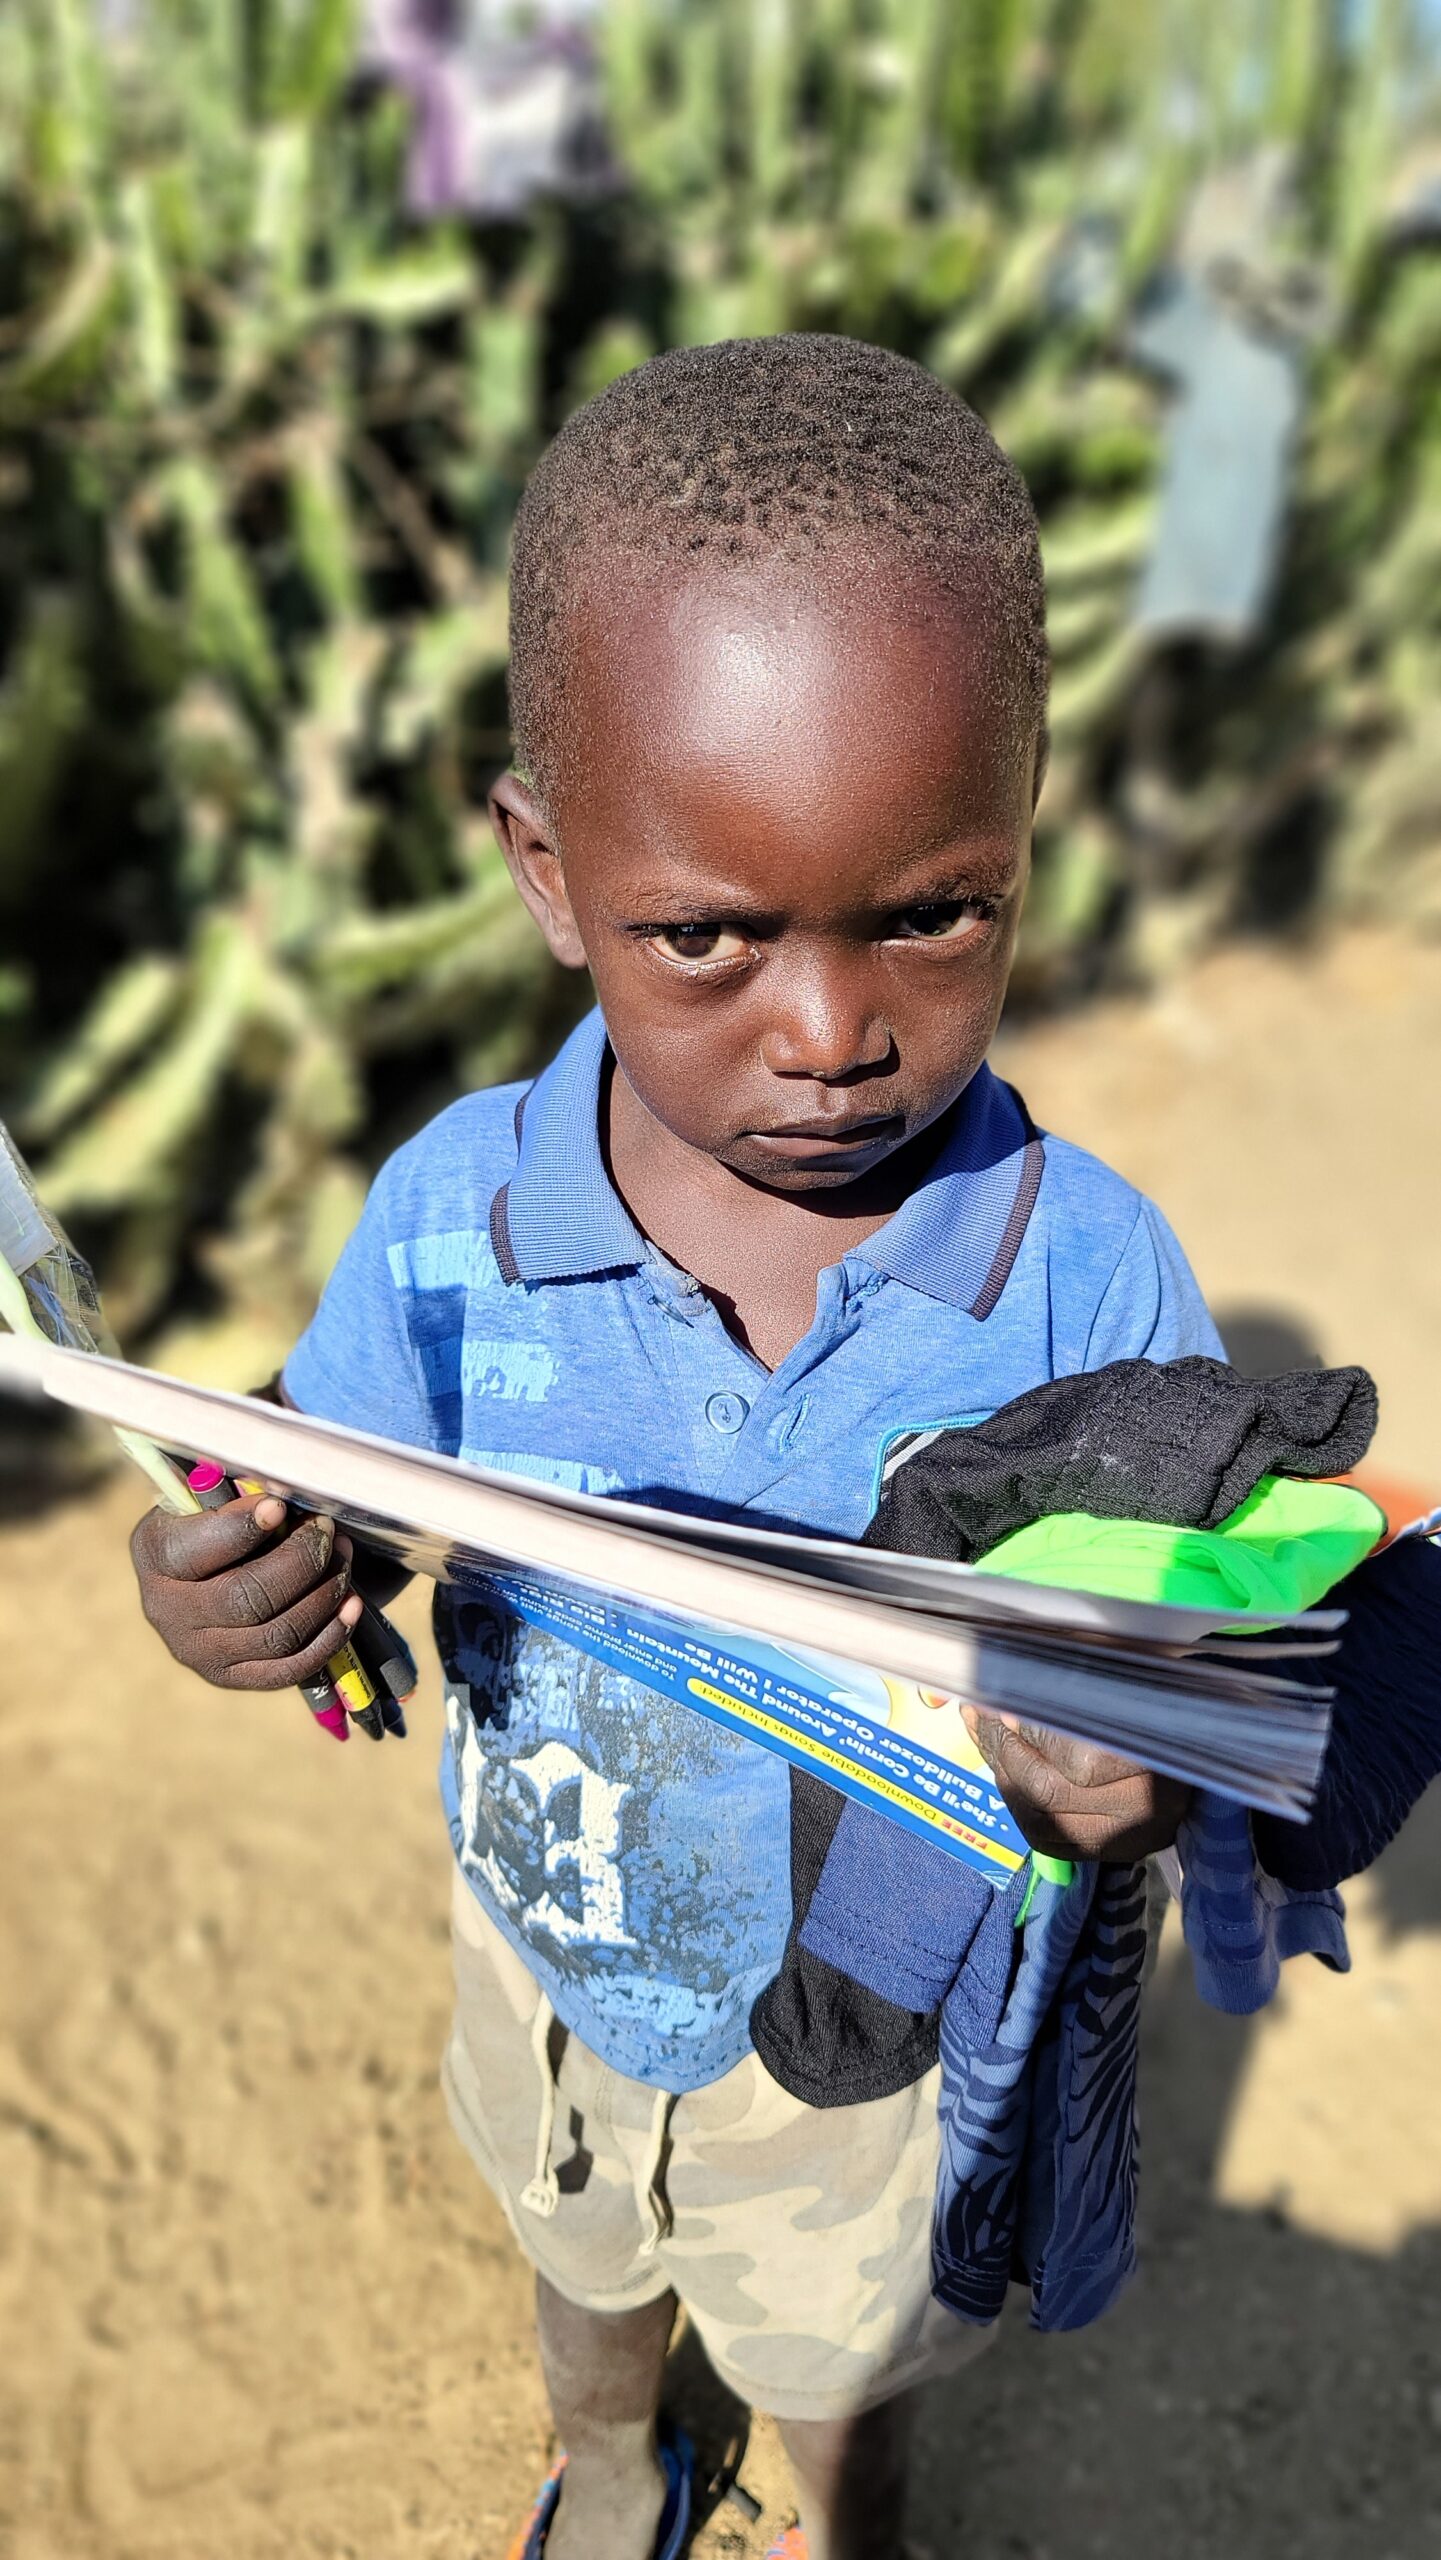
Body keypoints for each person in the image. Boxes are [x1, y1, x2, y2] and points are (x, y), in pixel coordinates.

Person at [129, 335, 1218, 2560]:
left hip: (876, 2027)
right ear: (547, 872)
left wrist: (1134, 1765)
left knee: (841, 2348)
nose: (828, 1033)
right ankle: (617, 2462)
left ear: (1020, 834)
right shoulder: (454, 1217)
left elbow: (1189, 1665)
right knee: (581, 2256)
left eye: (931, 911)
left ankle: (851, 2518)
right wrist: (241, 1571)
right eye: (705, 935)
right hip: (547, 1950)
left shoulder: (1089, 1282)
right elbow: (324, 1479)